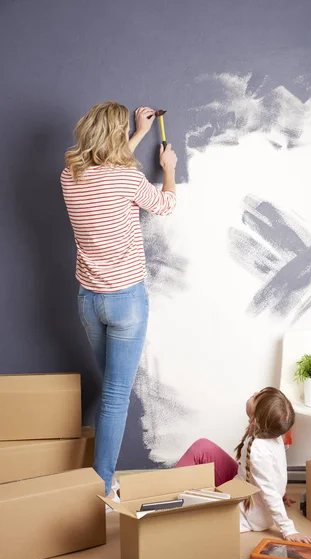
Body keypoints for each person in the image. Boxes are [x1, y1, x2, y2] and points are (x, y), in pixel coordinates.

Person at [60, 102, 177, 500]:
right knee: (114, 396)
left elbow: (104, 169)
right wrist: (170, 169)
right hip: (126, 302)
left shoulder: (69, 176)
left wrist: (139, 133)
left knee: (111, 388)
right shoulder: (127, 177)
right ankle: (104, 486)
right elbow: (165, 205)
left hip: (89, 301)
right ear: (113, 137)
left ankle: (102, 481)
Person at [175, 387, 311, 543]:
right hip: (243, 481)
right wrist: (281, 491)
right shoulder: (271, 433)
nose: (254, 393)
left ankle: (165, 497)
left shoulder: (258, 450)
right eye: (258, 393)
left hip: (247, 511)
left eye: (256, 397)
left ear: (255, 419)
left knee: (194, 519)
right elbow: (274, 470)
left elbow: (269, 491)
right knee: (202, 447)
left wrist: (288, 529)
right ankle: (167, 489)